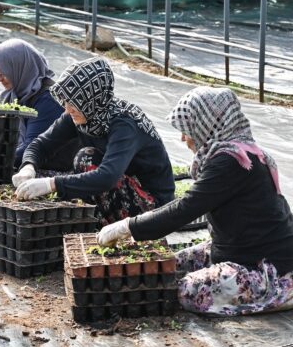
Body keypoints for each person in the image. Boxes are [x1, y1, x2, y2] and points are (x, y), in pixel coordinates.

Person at [97, 87, 293, 316]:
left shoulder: (230, 162)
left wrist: (128, 226)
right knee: (166, 266)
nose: (183, 138)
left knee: (188, 290)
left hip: (270, 270)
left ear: (207, 125)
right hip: (239, 252)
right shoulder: (238, 152)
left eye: (187, 130)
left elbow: (186, 208)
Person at [13, 57, 174, 224]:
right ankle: (98, 221)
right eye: (66, 101)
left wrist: (51, 184)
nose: (68, 108)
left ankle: (106, 224)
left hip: (154, 206)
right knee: (76, 167)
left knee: (85, 158)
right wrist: (28, 167)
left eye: (74, 102)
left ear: (92, 99)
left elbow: (107, 176)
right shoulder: (80, 114)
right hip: (124, 187)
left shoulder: (124, 124)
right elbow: (41, 144)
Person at [0, 38, 67, 169]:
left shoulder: (49, 98)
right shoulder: (15, 94)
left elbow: (32, 148)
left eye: (3, 72)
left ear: (20, 68)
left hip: (50, 166)